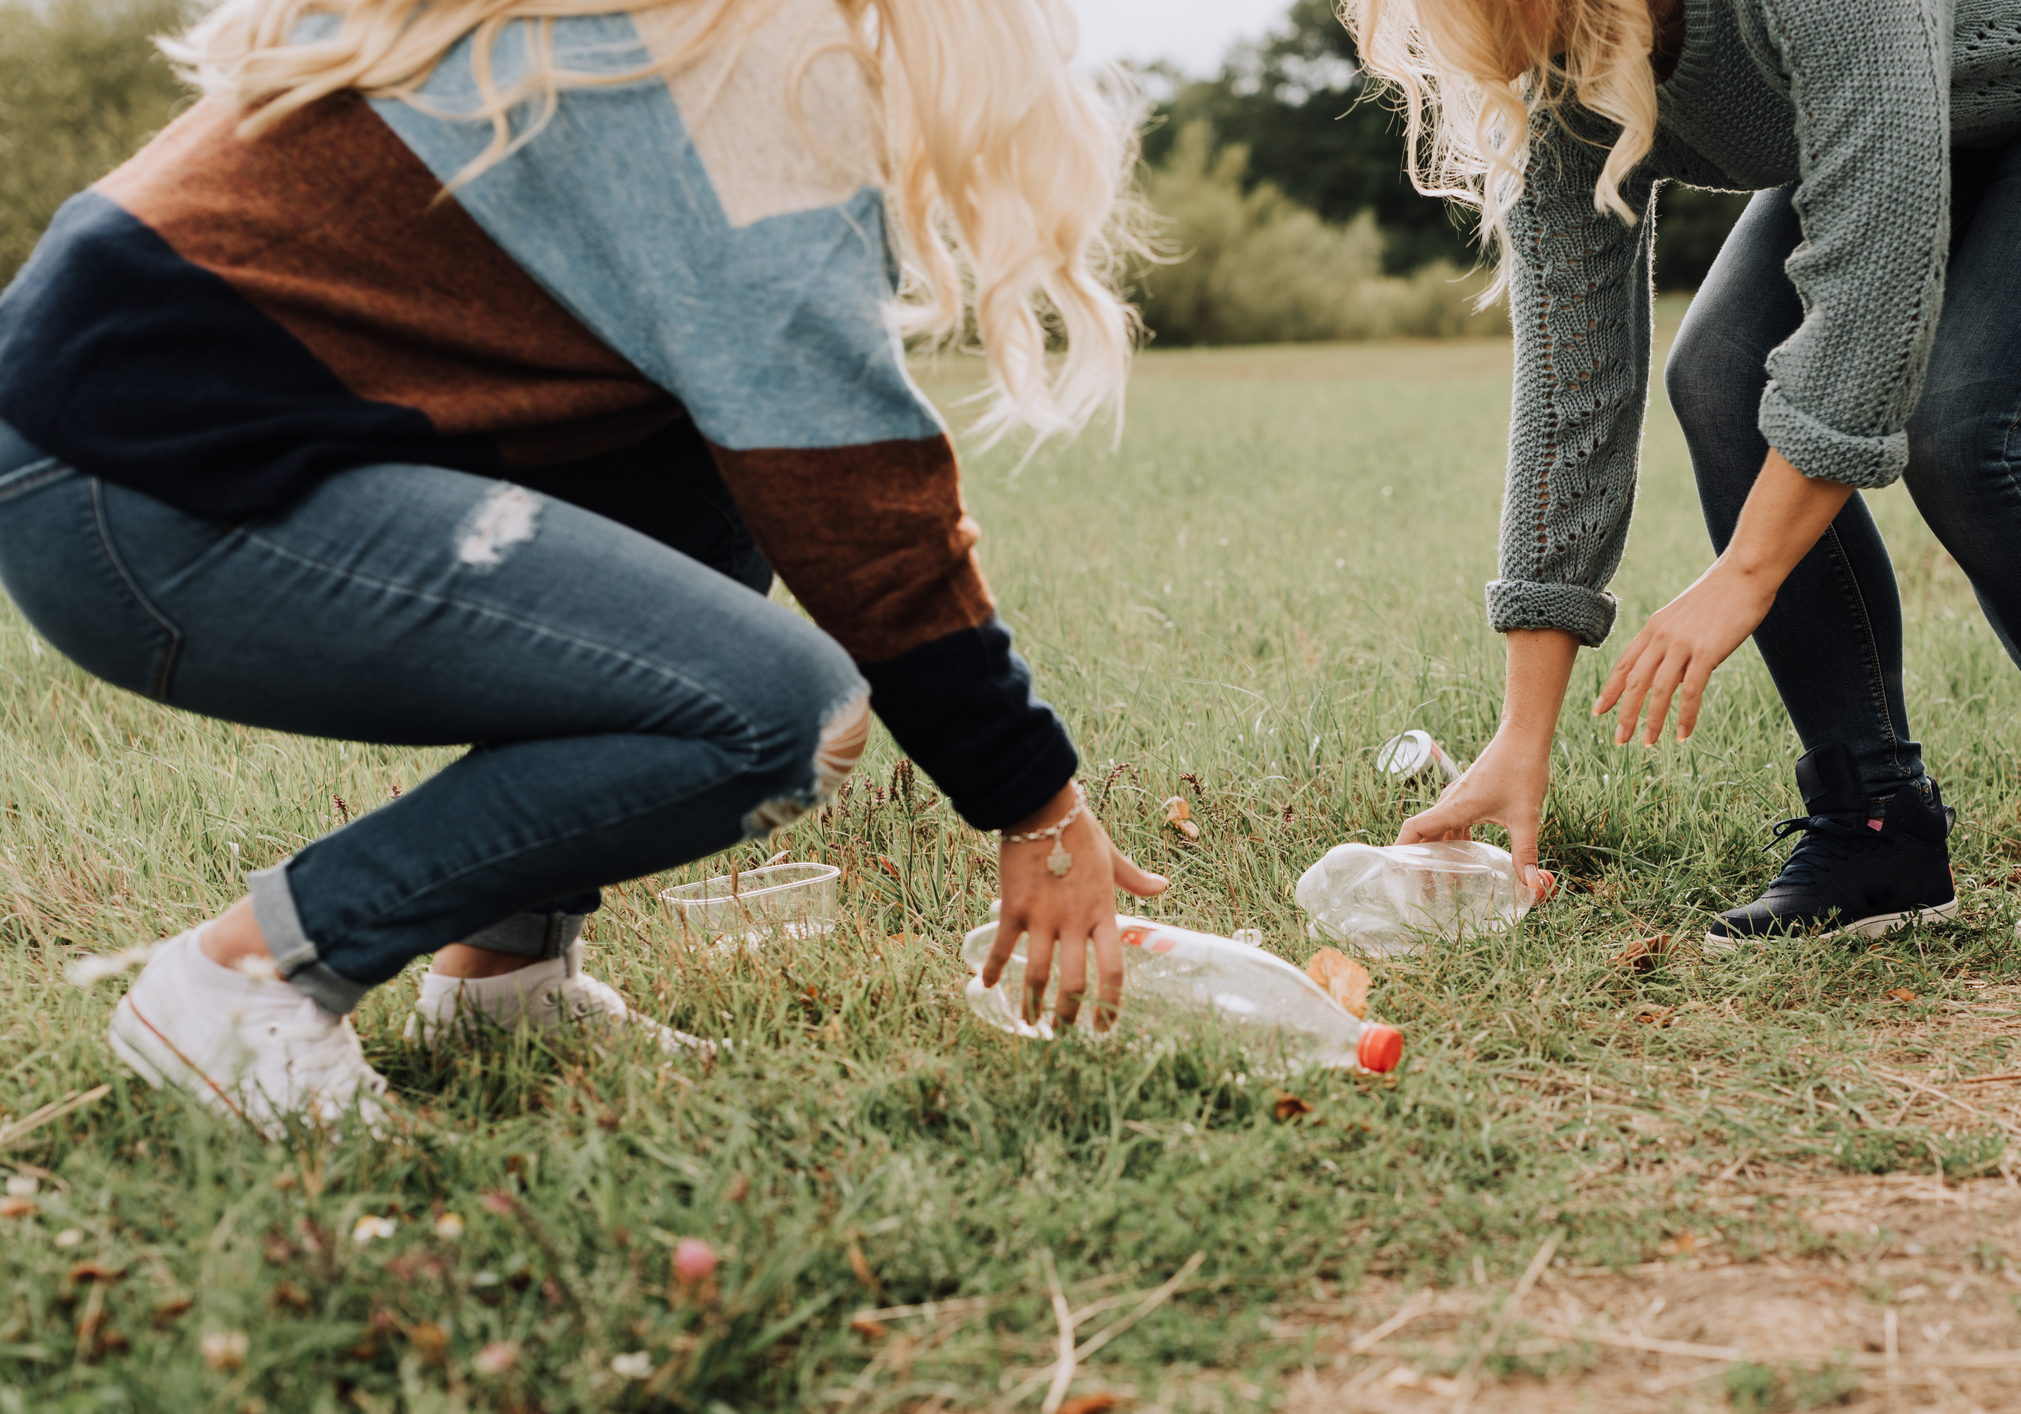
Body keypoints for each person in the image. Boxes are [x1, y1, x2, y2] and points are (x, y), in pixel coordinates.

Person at [0, 0, 1167, 1131]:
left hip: (107, 459)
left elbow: (764, 445)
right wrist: (1035, 803)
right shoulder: (754, 54)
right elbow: (845, 477)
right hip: (144, 492)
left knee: (698, 481)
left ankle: (504, 984)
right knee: (778, 717)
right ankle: (247, 977)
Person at [1352, 0, 2021, 945]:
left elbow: (1875, 281)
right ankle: (1874, 826)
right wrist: (1521, 733)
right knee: (1719, 375)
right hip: (1925, 117)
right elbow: (1571, 387)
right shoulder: (1555, 61)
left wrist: (1747, 570)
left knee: (1960, 427)